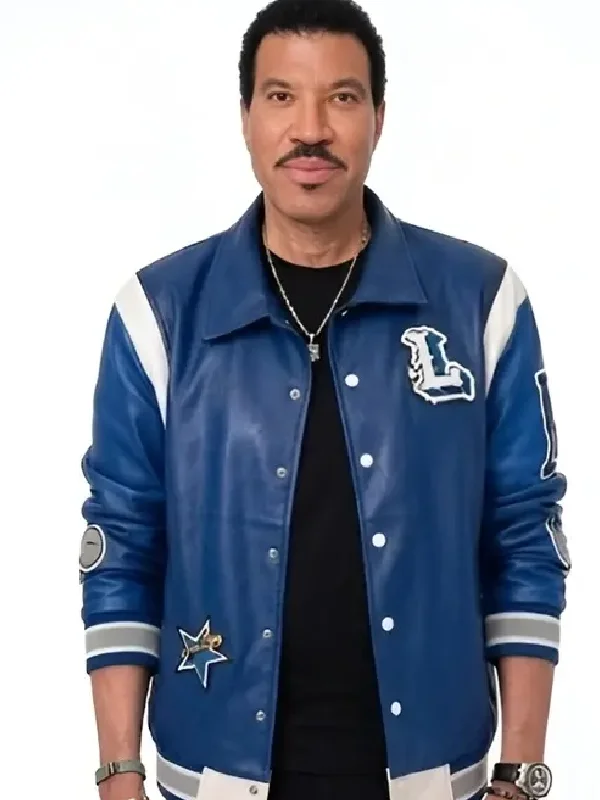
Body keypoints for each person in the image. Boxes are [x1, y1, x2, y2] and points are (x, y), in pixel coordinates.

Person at [78, 1, 570, 799]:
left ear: (380, 117)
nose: (310, 129)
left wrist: (520, 772)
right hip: (211, 777)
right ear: (245, 117)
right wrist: (118, 774)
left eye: (342, 97)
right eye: (281, 97)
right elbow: (122, 541)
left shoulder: (482, 301)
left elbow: (525, 535)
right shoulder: (158, 314)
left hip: (435, 779)